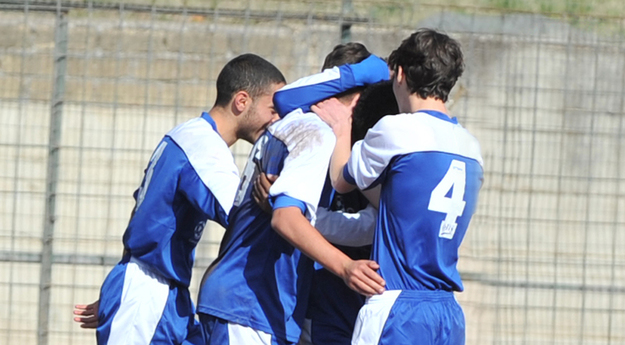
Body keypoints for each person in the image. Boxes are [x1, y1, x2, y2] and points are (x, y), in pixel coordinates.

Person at [76, 53, 286, 345]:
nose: (277, 120)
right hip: (148, 294)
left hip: (158, 293)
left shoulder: (187, 135)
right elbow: (237, 212)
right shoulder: (205, 147)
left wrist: (124, 292)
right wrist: (278, 203)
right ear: (242, 101)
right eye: (273, 109)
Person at [196, 45, 390, 345]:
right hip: (249, 305)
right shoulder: (316, 135)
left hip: (256, 306)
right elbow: (286, 219)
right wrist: (345, 267)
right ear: (357, 97)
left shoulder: (294, 124)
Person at [315, 29, 484, 345]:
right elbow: (403, 204)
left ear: (401, 74)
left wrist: (341, 128)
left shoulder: (396, 129)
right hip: (447, 312)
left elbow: (341, 180)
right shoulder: (471, 147)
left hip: (397, 307)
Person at [299, 80, 398, 345]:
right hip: (325, 302)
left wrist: (299, 218)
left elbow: (374, 224)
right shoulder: (314, 144)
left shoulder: (379, 154)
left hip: (371, 300)